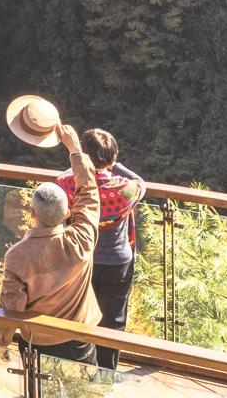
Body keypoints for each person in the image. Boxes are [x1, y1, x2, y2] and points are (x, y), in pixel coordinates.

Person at [0, 122, 101, 364]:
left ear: (32, 212)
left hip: (37, 341)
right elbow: (90, 195)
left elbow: (11, 307)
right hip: (79, 336)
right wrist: (75, 151)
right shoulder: (81, 240)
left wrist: (2, 341)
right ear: (67, 213)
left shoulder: (17, 256)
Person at [54, 129, 145, 370]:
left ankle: (79, 369)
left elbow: (64, 176)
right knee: (113, 321)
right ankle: (105, 374)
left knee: (79, 315)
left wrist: (81, 161)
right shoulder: (125, 188)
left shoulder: (67, 184)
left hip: (81, 259)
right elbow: (141, 183)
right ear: (113, 156)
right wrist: (113, 164)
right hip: (117, 261)